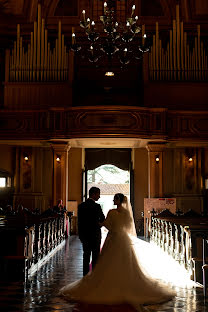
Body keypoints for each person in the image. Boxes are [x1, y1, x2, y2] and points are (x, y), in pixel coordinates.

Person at [59, 193, 176, 311]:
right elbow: (128, 227)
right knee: (125, 262)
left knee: (108, 261)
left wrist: (98, 224)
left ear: (119, 200)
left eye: (115, 198)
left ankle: (106, 283)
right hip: (123, 239)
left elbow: (107, 225)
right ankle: (124, 283)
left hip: (113, 238)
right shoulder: (127, 214)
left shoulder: (112, 212)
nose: (113, 200)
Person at [78, 187, 105, 276]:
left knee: (86, 256)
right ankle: (94, 276)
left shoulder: (81, 206)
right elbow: (103, 219)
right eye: (98, 194)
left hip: (85, 235)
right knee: (95, 257)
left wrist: (81, 236)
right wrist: (98, 225)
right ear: (93, 194)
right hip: (95, 235)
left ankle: (85, 276)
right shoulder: (97, 206)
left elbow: (80, 222)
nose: (99, 196)